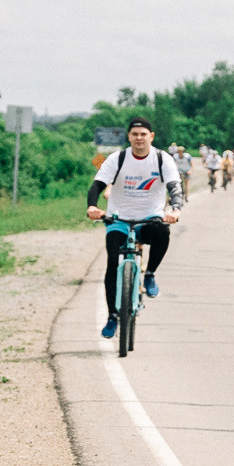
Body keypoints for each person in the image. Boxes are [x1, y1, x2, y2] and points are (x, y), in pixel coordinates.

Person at [87, 119, 182, 340]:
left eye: (143, 134)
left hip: (149, 219)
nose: (139, 138)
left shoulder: (162, 159)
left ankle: (150, 275)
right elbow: (97, 185)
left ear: (152, 136)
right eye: (134, 134)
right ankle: (112, 316)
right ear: (129, 137)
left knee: (162, 232)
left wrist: (175, 209)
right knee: (112, 264)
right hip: (118, 219)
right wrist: (92, 206)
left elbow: (174, 186)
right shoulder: (117, 158)